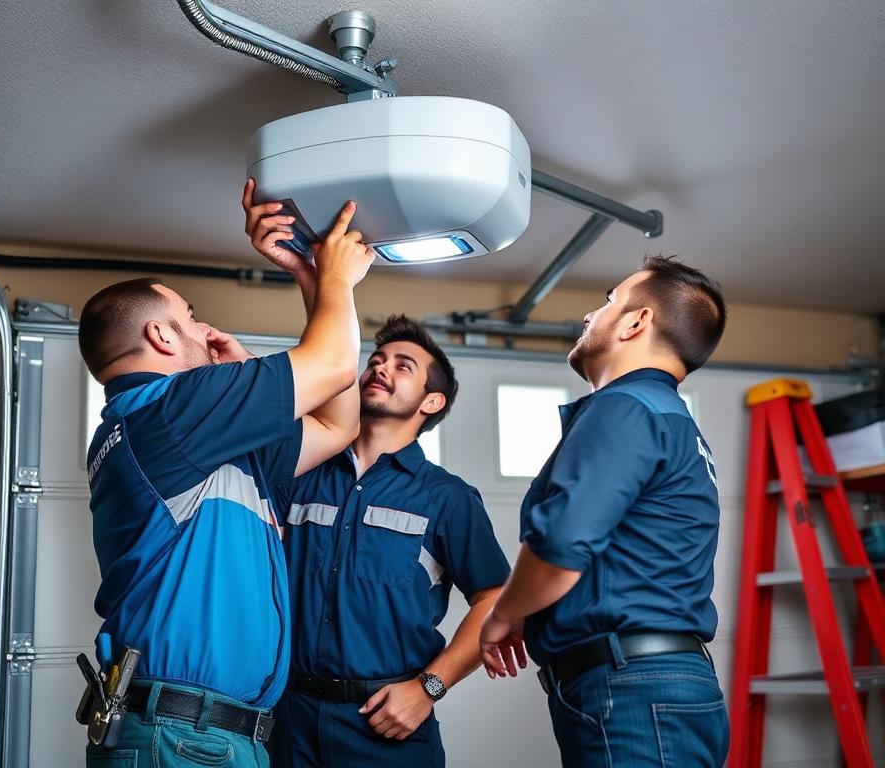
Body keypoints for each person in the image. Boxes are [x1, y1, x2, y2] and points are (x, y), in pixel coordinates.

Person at [77, 200, 373, 768]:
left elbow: (339, 425)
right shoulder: (166, 412)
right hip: (183, 738)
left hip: (207, 737)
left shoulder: (176, 431)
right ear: (161, 336)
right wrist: (336, 277)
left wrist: (311, 281)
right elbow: (333, 364)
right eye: (192, 317)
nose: (207, 329)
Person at [244, 180, 512, 767]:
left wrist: (430, 688)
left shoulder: (446, 499)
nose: (381, 368)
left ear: (432, 402)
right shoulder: (302, 468)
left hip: (387, 727)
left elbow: (494, 596)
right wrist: (309, 276)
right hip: (285, 718)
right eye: (378, 358)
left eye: (405, 365)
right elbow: (322, 363)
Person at [479, 256, 729, 767]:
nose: (590, 316)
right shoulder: (670, 418)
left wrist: (506, 612)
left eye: (609, 301)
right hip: (662, 684)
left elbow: (561, 544)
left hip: (632, 688)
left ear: (637, 322)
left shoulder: (626, 406)